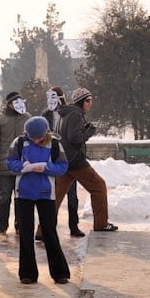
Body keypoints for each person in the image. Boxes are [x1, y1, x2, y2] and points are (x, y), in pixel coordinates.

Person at [7, 117, 72, 285]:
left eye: (39, 138)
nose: (36, 140)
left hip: (46, 193)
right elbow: (10, 163)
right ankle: (27, 273)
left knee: (49, 232)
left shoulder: (55, 144)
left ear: (46, 133)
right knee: (25, 233)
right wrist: (24, 167)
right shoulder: (19, 142)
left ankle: (60, 273)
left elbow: (63, 167)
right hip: (23, 193)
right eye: (33, 137)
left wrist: (46, 168)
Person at [54, 88, 117, 233]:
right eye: (88, 101)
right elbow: (74, 137)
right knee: (99, 187)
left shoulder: (65, 114)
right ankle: (101, 224)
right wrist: (89, 131)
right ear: (81, 101)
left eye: (91, 100)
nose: (90, 104)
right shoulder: (76, 114)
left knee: (56, 197)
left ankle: (43, 230)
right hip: (76, 161)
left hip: (65, 160)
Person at [42, 86, 84, 238]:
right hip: (52, 159)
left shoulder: (70, 113)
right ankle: (48, 227)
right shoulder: (46, 115)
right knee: (51, 196)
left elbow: (76, 135)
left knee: (72, 196)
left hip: (69, 158)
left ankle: (74, 226)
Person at [0, 92, 29, 235]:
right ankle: (2, 226)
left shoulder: (27, 119)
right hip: (4, 163)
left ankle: (20, 225)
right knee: (4, 197)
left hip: (23, 165)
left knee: (21, 198)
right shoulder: (0, 119)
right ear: (9, 104)